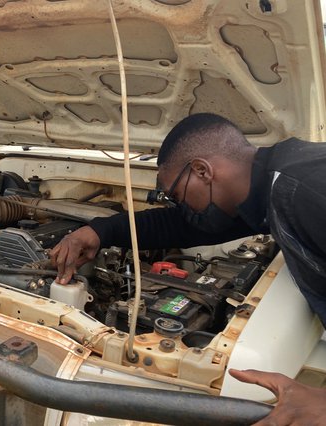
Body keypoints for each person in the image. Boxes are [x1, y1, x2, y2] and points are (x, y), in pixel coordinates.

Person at [50, 113, 326, 425]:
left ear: (202, 171)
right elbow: (180, 226)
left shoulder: (305, 189)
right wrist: (102, 231)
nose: (180, 206)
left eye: (177, 196)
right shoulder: (264, 186)